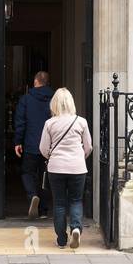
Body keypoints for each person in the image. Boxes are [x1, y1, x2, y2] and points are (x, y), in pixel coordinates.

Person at [39, 87, 92, 249]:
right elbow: (88, 147)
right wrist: (78, 158)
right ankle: (76, 228)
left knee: (59, 203)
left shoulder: (50, 123)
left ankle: (61, 239)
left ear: (54, 104)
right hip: (77, 167)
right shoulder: (81, 121)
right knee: (76, 200)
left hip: (56, 168)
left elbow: (43, 148)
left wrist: (54, 158)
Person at [14, 71, 53, 218]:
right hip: (49, 146)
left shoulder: (26, 99)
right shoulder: (54, 99)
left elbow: (20, 122)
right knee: (45, 176)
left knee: (27, 173)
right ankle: (43, 211)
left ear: (36, 82)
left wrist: (18, 141)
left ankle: (32, 196)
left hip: (31, 144)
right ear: (46, 82)